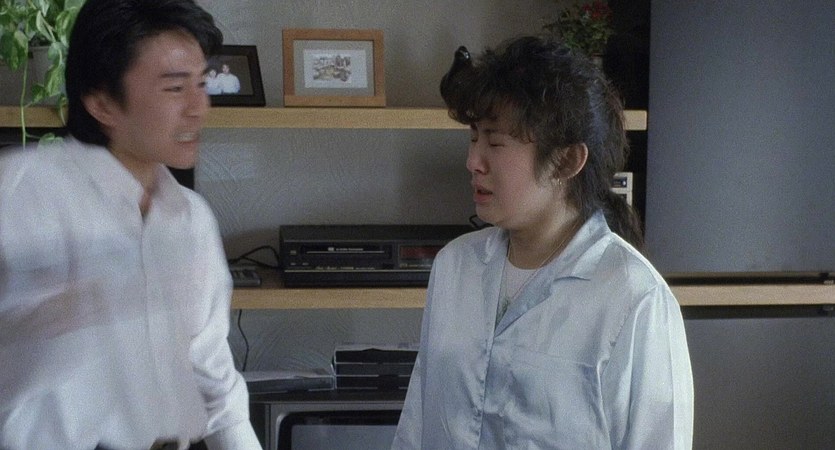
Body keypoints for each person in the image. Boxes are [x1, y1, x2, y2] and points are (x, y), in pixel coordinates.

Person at [392, 35, 694, 449]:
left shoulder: (635, 298)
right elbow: (418, 424)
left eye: (495, 142)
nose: (473, 161)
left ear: (567, 160)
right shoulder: (455, 266)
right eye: (473, 137)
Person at [0, 0, 261, 449]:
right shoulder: (22, 196)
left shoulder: (192, 220)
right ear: (102, 102)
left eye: (201, 83)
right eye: (175, 88)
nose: (199, 107)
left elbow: (216, 385)